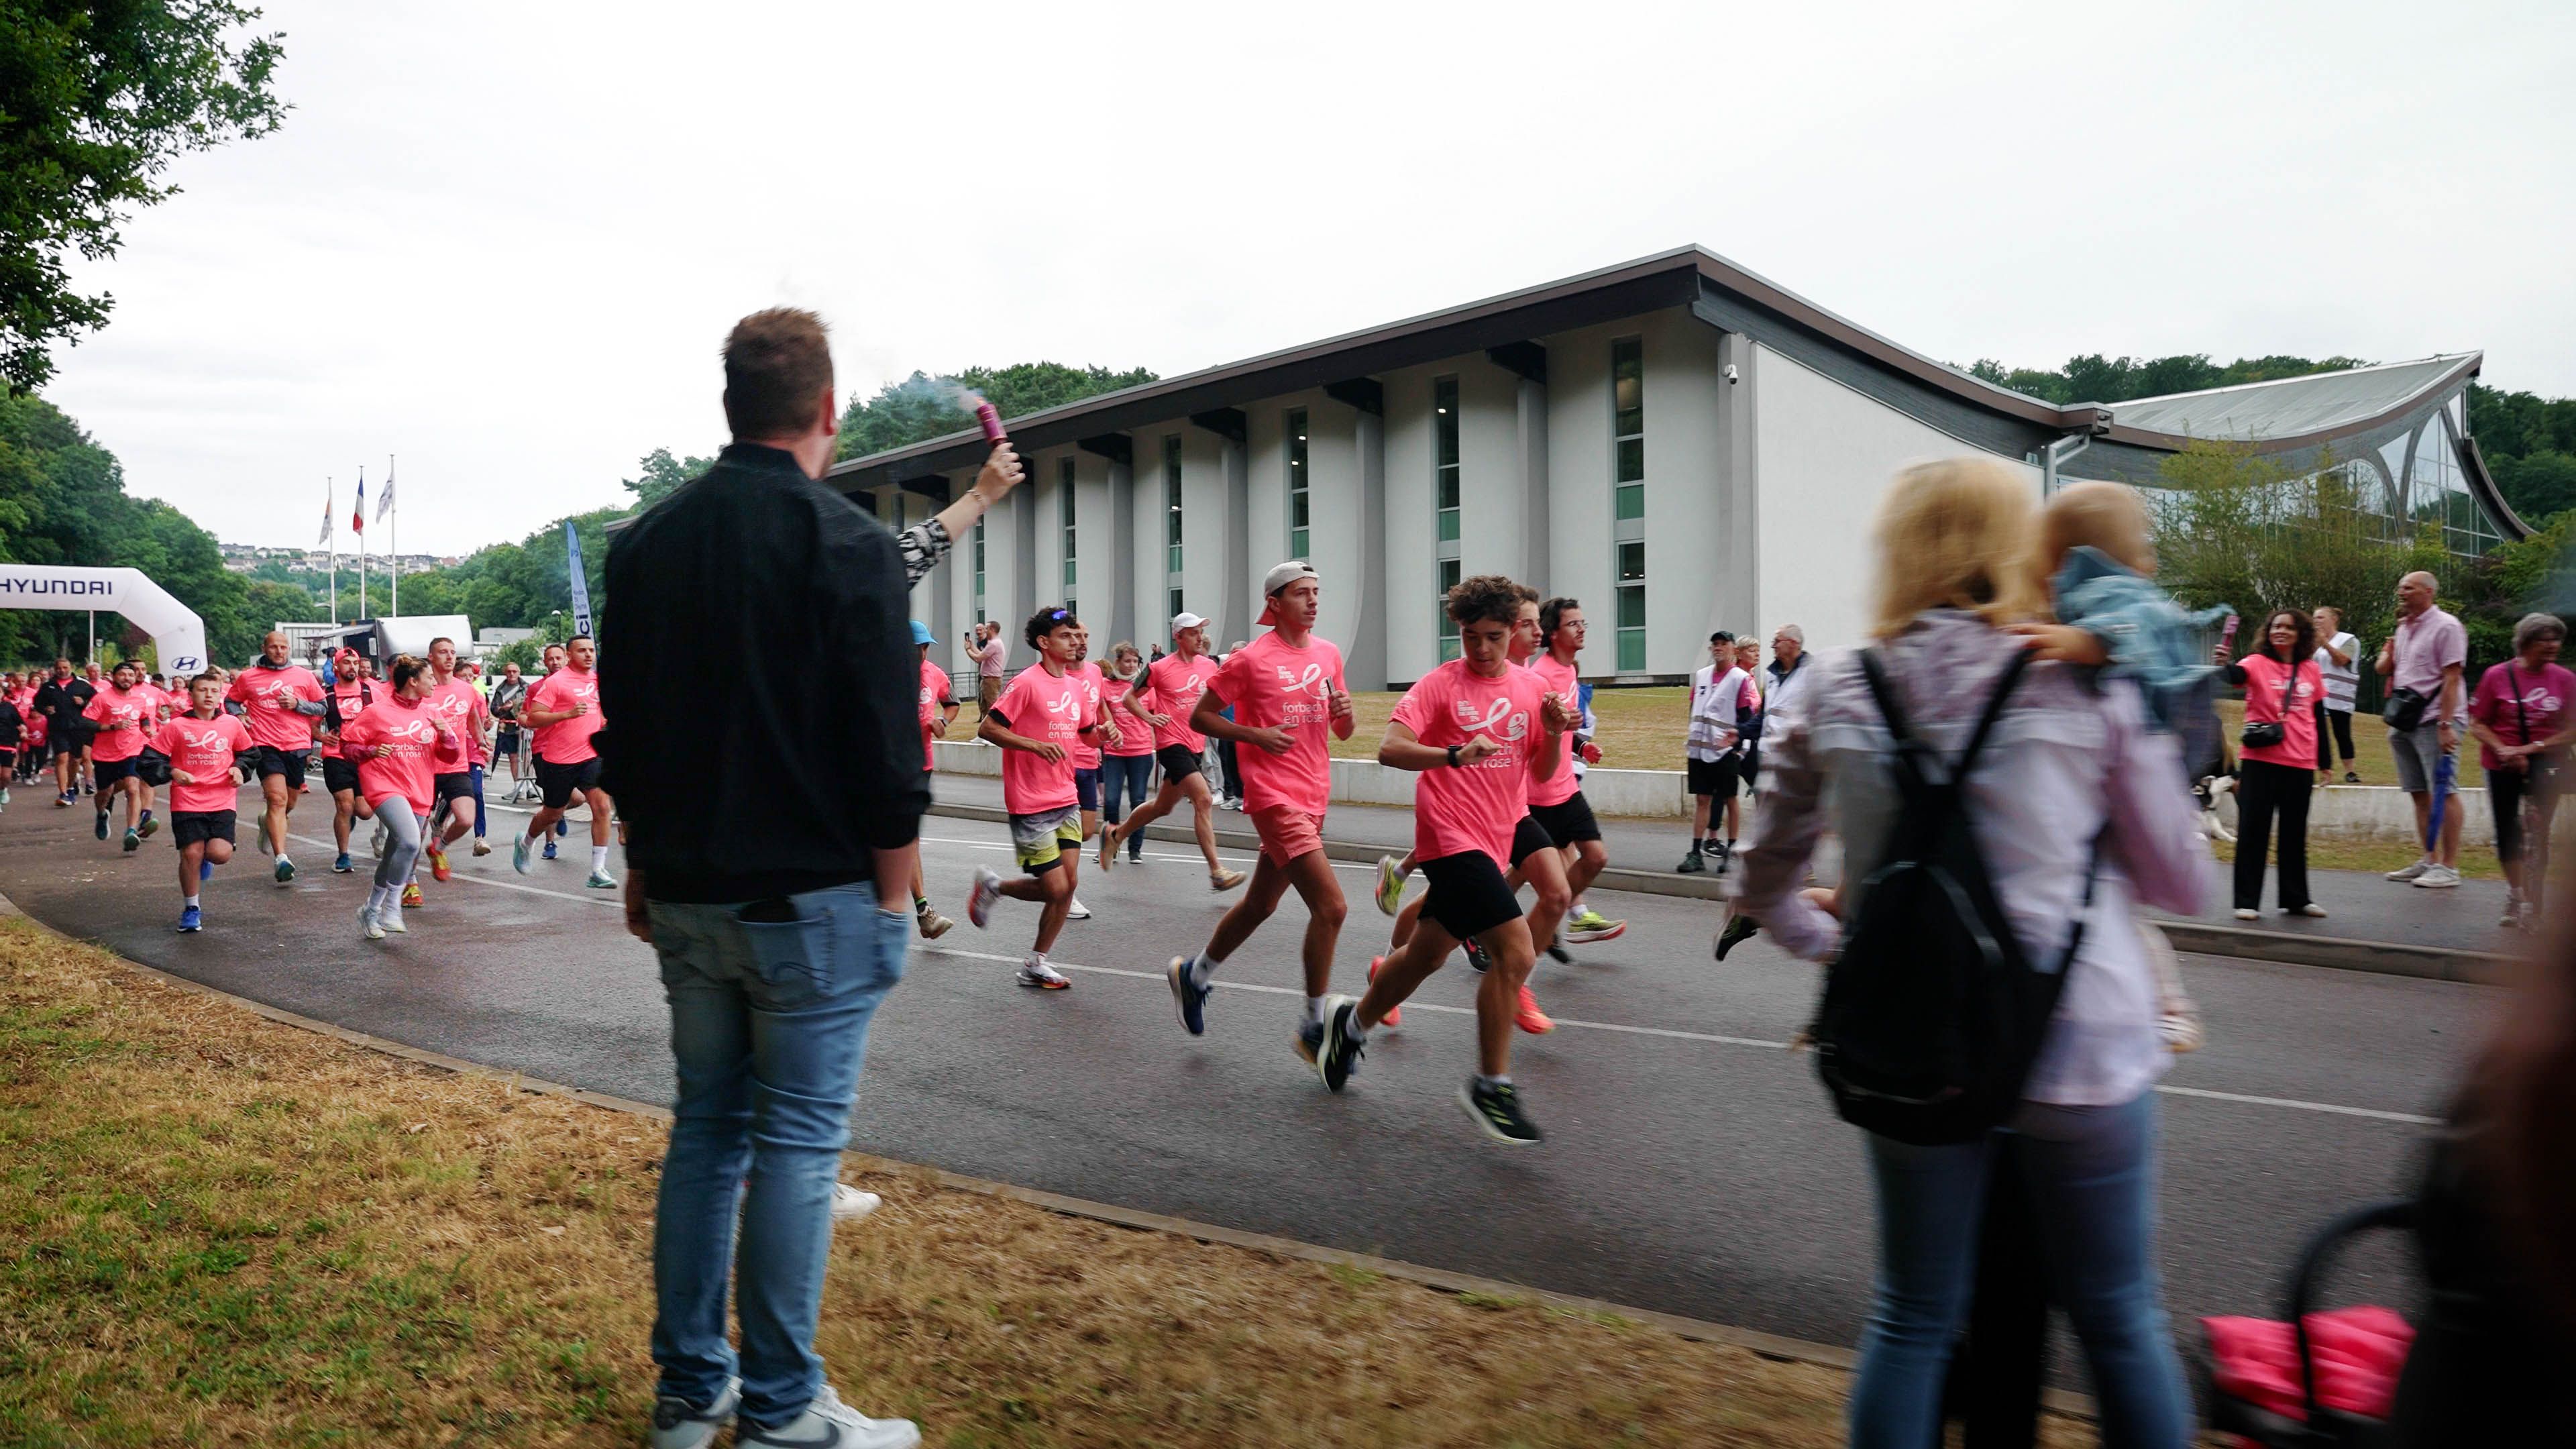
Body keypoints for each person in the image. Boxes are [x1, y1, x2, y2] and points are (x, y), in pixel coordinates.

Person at [603, 307, 1016, 1449]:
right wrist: (891, 896)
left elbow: (626, 725)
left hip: (687, 887)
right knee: (792, 1148)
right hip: (813, 896)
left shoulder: (646, 544)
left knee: (707, 1133)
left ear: (730, 405)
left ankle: (692, 1389)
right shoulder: (849, 545)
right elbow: (888, 753)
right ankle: (784, 1410)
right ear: (829, 411)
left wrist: (642, 857)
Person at [1731, 457, 2204, 1448]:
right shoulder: (2077, 677)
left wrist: (1837, 945)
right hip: (2083, 1036)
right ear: (2017, 547)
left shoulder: (1836, 685)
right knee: (2119, 1316)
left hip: (1917, 1041)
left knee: (1912, 1315)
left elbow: (1761, 883)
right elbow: (2181, 881)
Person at [1318, 574, 1574, 1142]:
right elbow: (1389, 749)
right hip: (1448, 835)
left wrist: (1556, 734)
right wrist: (1454, 755)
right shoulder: (1439, 685)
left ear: (1513, 632)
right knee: (1516, 952)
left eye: (1494, 637)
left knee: (1425, 955)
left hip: (1496, 835)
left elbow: (1539, 772)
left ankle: (1350, 1025)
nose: (1481, 648)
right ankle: (1490, 1086)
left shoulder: (1532, 690)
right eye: (1470, 636)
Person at [1165, 562, 1355, 1053]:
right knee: (1331, 908)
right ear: (1274, 603)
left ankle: (1195, 976)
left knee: (1260, 904)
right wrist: (1254, 734)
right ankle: (1313, 1025)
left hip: (1314, 794)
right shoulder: (1250, 659)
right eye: (1301, 593)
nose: (1313, 601)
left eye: (1316, 592)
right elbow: (1201, 717)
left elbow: (1343, 732)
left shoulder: (1329, 653)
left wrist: (1345, 716)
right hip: (1273, 796)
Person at [965, 607, 1097, 989]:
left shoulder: (1076, 686)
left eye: (1076, 635)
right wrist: (1034, 745)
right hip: (1030, 800)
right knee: (1056, 888)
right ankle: (995, 887)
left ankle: (1037, 963)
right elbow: (988, 728)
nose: (1075, 642)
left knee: (1069, 885)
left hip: (1066, 795)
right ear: (1044, 643)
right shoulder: (1026, 683)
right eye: (1065, 636)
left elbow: (1086, 734)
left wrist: (1106, 736)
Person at [1093, 612, 1246, 890]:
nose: (1200, 638)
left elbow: (1222, 699)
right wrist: (1150, 718)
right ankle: (1217, 871)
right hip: (1171, 743)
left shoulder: (1209, 666)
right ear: (1178, 637)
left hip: (1196, 744)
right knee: (1203, 799)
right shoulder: (1159, 668)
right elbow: (1129, 698)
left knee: (1163, 807)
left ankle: (1115, 835)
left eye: (1201, 632)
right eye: (1193, 633)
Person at [2216, 609, 2327, 920]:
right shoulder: (2255, 662)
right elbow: (2234, 677)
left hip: (2301, 762)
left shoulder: (2311, 670)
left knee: (2294, 834)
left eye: (2289, 627)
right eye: (2276, 626)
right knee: (2253, 831)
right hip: (2260, 762)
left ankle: (2296, 899)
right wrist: (2222, 664)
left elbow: (2318, 717)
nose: (2281, 631)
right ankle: (2247, 902)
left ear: (2300, 634)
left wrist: (2326, 761)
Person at [2468, 612, 2576, 929]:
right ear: (2526, 643)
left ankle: (2534, 906)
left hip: (2547, 763)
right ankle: (2516, 894)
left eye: (2557, 639)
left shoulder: (2566, 679)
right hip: (2501, 762)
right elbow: (2478, 723)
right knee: (2507, 832)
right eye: (2545, 639)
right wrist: (2504, 749)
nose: (2553, 645)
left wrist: (2531, 749)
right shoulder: (2496, 676)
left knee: (2538, 835)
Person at [341, 655, 462, 938]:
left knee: (396, 852)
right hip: (384, 784)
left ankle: (371, 909)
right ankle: (393, 907)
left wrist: (446, 737)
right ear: (413, 681)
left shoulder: (432, 713)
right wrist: (370, 751)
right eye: (429, 677)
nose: (434, 683)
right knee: (410, 842)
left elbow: (450, 756)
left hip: (419, 789)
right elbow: (347, 746)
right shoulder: (377, 712)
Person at [1530, 598, 1624, 946]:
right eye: (1573, 624)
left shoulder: (1569, 671)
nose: (1582, 629)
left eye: (1583, 623)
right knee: (1515, 875)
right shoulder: (1539, 676)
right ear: (1553, 633)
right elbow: (1533, 734)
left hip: (1567, 787)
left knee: (1596, 857)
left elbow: (1564, 729)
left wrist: (1582, 747)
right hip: (1538, 794)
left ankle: (1558, 917)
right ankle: (1493, 932)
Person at [2379, 570, 2469, 889]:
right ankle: (2429, 859)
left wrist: (2446, 724)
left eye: (2409, 588)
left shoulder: (2447, 626)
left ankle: (2449, 867)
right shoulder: (2403, 627)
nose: (2401, 592)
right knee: (2418, 792)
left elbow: (2452, 677)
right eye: (2400, 587)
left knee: (2444, 791)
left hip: (2435, 720)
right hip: (2405, 720)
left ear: (2428, 591)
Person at [225, 631, 327, 883]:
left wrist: (298, 704)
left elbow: (323, 706)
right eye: (274, 647)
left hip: (297, 745)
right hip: (264, 744)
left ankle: (267, 822)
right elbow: (231, 701)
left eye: (283, 647)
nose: (279, 651)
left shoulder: (303, 676)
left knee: (288, 803)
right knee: (276, 798)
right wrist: (239, 716)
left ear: (288, 649)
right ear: (264, 648)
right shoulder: (249, 677)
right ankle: (281, 858)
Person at [156, 673, 255, 932]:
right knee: (191, 853)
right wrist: (173, 772)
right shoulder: (176, 726)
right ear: (191, 695)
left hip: (222, 798)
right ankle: (191, 908)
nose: (209, 695)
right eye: (202, 690)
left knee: (219, 854)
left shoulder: (231, 724)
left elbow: (249, 753)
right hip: (187, 799)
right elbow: (150, 758)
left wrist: (239, 768)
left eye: (214, 690)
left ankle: (206, 859)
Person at [515, 635, 615, 888]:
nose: (589, 655)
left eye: (591, 650)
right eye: (582, 651)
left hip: (591, 755)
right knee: (553, 813)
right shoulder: (556, 682)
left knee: (602, 807)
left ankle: (598, 870)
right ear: (569, 655)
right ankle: (526, 842)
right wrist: (566, 714)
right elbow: (533, 717)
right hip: (559, 759)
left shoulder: (598, 680)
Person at [421, 636, 494, 889]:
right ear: (431, 657)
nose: (450, 657)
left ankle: (438, 848)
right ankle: (409, 882)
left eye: (452, 652)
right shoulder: (423, 688)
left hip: (456, 765)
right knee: (415, 831)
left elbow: (472, 718)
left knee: (465, 819)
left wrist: (481, 742)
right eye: (443, 652)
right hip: (424, 768)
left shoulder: (467, 689)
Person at [1678, 633, 1754, 873]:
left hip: (1725, 750)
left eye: (1724, 644)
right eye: (1715, 644)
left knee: (1730, 798)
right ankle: (1696, 852)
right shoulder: (1702, 675)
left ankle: (1732, 850)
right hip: (1700, 749)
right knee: (1702, 799)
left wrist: (1741, 748)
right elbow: (1694, 709)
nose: (1719, 648)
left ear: (1733, 650)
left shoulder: (1740, 678)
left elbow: (1746, 716)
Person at [1061, 623, 1113, 921]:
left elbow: (1100, 706)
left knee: (1088, 830)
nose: (1080, 642)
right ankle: (1067, 893)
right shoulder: (1058, 676)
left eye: (1084, 636)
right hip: (1065, 764)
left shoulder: (1094, 672)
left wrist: (1111, 727)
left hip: (1090, 761)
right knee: (1069, 832)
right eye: (1074, 637)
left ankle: (1055, 875)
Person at [909, 621, 957, 939]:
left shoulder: (935, 674)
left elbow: (952, 704)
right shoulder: (883, 672)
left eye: (925, 647)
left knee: (908, 838)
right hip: (887, 765)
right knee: (901, 839)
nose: (923, 654)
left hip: (921, 765)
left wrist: (943, 721)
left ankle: (923, 911)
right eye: (917, 648)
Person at [83, 660, 158, 851]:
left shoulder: (139, 699)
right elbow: (86, 723)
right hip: (105, 754)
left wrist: (146, 728)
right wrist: (112, 727)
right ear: (114, 677)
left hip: (132, 749)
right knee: (104, 793)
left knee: (133, 788)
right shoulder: (102, 698)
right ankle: (102, 815)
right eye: (123, 675)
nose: (127, 678)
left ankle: (131, 831)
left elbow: (144, 717)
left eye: (131, 675)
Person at [319, 649, 378, 873]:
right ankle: (343, 856)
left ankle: (351, 815)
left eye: (355, 662)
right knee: (344, 805)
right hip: (336, 756)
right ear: (336, 667)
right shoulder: (326, 695)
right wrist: (322, 737)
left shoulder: (370, 691)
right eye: (346, 662)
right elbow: (311, 724)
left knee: (365, 811)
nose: (352, 667)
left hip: (364, 756)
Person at [1095, 643, 1155, 865]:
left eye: (1135, 661)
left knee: (1138, 802)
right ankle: (1110, 846)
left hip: (1141, 751)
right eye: (1127, 661)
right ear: (1118, 662)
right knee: (1111, 801)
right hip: (1115, 752)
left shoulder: (1146, 687)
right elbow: (1099, 715)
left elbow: (1155, 715)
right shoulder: (1106, 685)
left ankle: (1135, 849)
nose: (1131, 665)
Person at [34, 659, 95, 806]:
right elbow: (38, 703)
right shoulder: (48, 686)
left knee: (75, 760)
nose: (62, 670)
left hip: (78, 728)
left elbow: (96, 702)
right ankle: (63, 793)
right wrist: (45, 709)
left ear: (71, 668)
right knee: (61, 758)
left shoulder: (82, 685)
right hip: (58, 727)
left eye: (65, 667)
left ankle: (70, 786)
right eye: (59, 668)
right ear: (55, 669)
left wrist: (83, 703)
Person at [2312, 604, 2361, 784]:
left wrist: (2324, 643)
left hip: (2340, 694)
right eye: (2315, 618)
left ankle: (2350, 772)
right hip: (2319, 694)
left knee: (2342, 733)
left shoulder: (2348, 640)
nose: (2316, 621)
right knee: (2317, 733)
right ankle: (2322, 769)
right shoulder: (2316, 645)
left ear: (2334, 619)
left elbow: (2341, 660)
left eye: (2320, 617)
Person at [489, 661, 529, 786]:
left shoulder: (527, 687)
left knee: (527, 756)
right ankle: (517, 786)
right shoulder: (500, 689)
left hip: (525, 728)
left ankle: (529, 785)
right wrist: (504, 708)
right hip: (508, 729)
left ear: (519, 673)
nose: (512, 674)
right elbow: (494, 710)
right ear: (505, 673)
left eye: (514, 671)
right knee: (513, 757)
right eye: (509, 671)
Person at [968, 620, 1005, 718]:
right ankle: (986, 726)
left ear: (992, 630)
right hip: (988, 679)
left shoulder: (993, 644)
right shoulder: (996, 643)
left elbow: (978, 658)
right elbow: (982, 654)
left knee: (992, 707)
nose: (985, 631)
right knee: (984, 707)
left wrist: (968, 650)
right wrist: (972, 646)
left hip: (991, 680)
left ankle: (995, 726)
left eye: (986, 629)